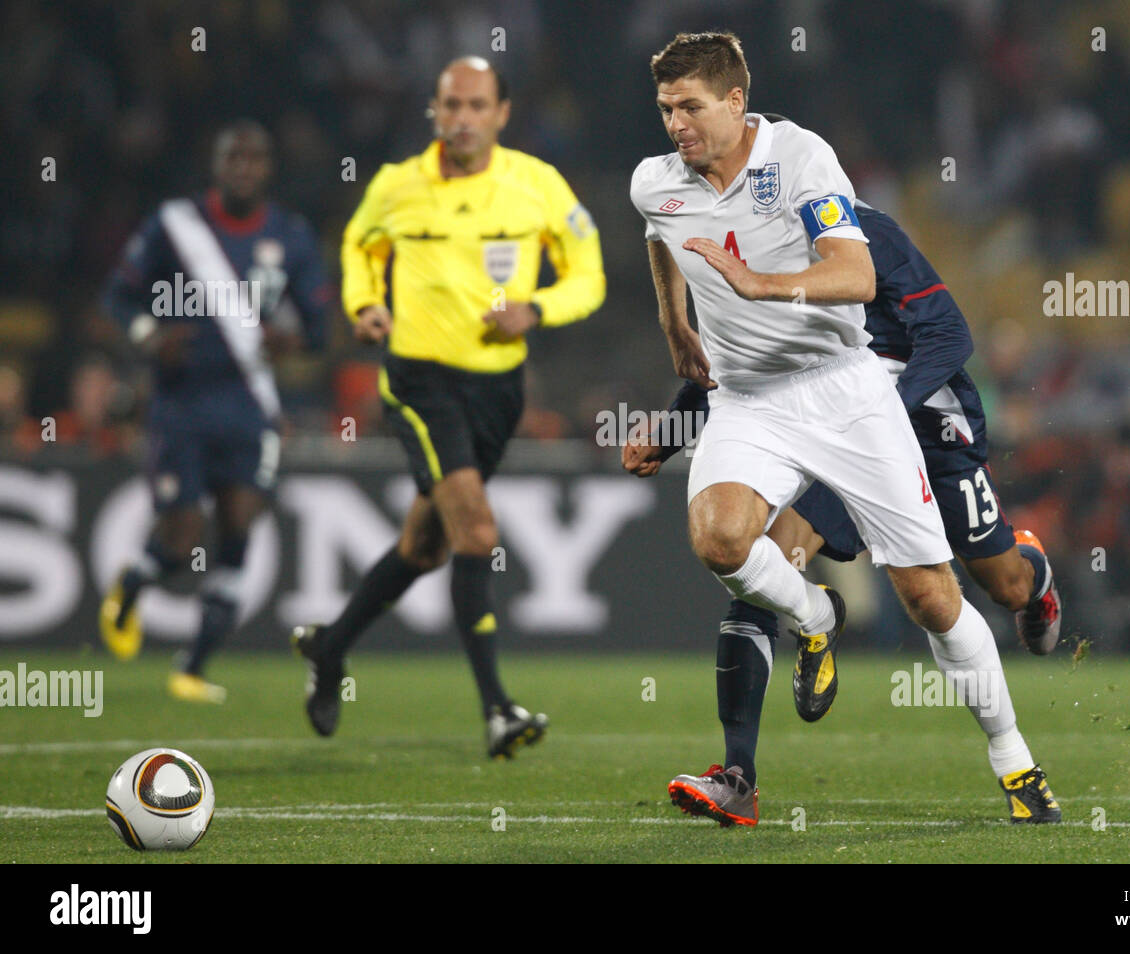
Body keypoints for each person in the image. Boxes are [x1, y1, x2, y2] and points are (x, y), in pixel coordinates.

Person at [628, 33, 1059, 826]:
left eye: (689, 107)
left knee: (934, 596)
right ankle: (803, 649)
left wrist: (763, 284)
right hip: (750, 405)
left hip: (855, 400)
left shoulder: (801, 162)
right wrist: (673, 328)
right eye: (664, 109)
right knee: (723, 541)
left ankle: (1015, 760)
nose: (675, 124)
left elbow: (860, 280)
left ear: (735, 102)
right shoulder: (655, 182)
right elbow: (662, 238)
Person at [292, 57, 605, 759]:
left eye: (476, 105)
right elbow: (359, 246)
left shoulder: (538, 185)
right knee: (476, 529)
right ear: (435, 111)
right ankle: (497, 710)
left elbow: (589, 276)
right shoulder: (398, 185)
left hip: (499, 387)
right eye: (450, 105)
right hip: (419, 380)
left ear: (502, 113)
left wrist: (538, 307)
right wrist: (364, 302)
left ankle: (331, 647)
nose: (461, 117)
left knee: (423, 546)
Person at [100, 119, 330, 702]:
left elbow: (322, 326)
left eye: (254, 159)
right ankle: (133, 582)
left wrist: (294, 341)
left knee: (238, 531)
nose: (244, 168)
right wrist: (151, 332)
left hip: (251, 407)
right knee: (182, 539)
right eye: (233, 158)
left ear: (268, 168)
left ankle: (192, 667)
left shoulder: (292, 237)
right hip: (181, 403)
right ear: (217, 164)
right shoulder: (176, 226)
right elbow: (118, 295)